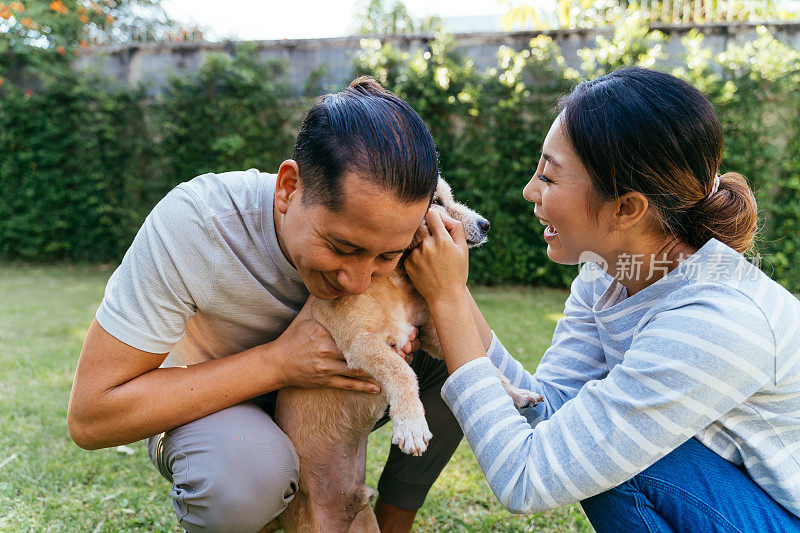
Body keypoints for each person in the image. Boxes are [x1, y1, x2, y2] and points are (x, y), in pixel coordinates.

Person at [405, 66, 800, 532]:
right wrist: (452, 288)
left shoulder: (716, 322)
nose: (529, 190)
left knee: (613, 458)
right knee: (593, 437)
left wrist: (448, 299)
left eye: (549, 178)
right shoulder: (611, 272)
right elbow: (546, 408)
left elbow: (525, 476)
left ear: (627, 208)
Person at [66, 77, 464, 532]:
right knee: (246, 480)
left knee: (462, 359)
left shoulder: (396, 232)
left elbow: (474, 351)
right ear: (288, 188)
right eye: (342, 247)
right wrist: (278, 363)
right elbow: (92, 417)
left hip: (332, 409)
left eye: (387, 256)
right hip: (211, 412)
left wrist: (444, 290)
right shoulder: (197, 226)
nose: (358, 282)